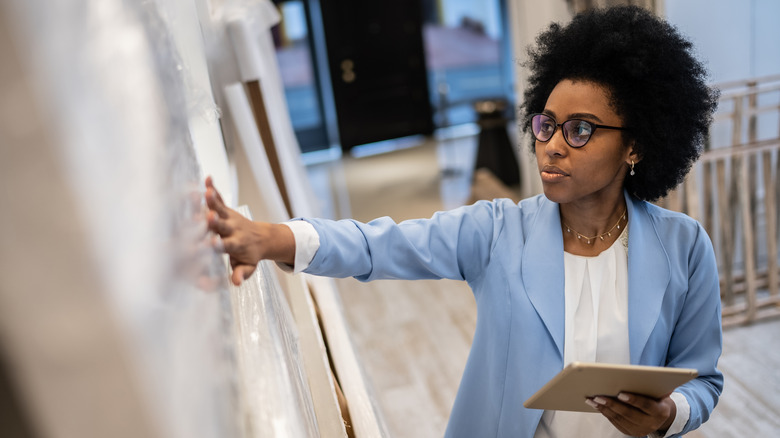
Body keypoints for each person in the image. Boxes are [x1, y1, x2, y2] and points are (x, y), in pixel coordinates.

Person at [205, 6, 723, 438]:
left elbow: (703, 380)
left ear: (634, 145)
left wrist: (667, 415)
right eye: (547, 126)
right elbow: (378, 246)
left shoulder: (684, 247)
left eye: (581, 130)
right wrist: (273, 237)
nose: (553, 146)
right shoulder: (499, 231)